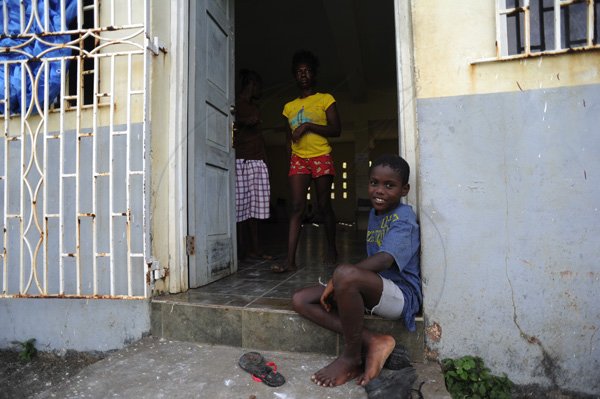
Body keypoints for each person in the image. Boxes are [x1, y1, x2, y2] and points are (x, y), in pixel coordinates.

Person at [292, 154, 421, 388]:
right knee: (301, 299)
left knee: (344, 274)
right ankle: (373, 340)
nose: (379, 191)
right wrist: (341, 281)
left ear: (405, 190)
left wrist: (338, 280)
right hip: (379, 289)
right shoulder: (376, 213)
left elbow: (383, 260)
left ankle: (351, 357)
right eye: (374, 183)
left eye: (389, 185)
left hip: (401, 296)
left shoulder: (404, 218)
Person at [272, 50, 341, 273]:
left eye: (307, 70)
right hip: (298, 159)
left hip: (321, 156)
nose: (304, 74)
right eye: (299, 71)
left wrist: (308, 126)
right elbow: (287, 139)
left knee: (323, 206)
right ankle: (290, 261)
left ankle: (332, 249)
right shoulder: (288, 107)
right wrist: (289, 162)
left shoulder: (325, 99)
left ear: (314, 74)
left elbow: (336, 129)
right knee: (296, 208)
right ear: (295, 75)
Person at [233, 69, 272, 261]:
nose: (261, 90)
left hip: (257, 162)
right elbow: (232, 123)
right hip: (241, 161)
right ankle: (241, 250)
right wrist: (245, 122)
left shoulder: (255, 108)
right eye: (259, 86)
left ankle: (256, 249)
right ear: (251, 84)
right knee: (241, 209)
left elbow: (259, 137)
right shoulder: (235, 105)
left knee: (256, 210)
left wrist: (265, 161)